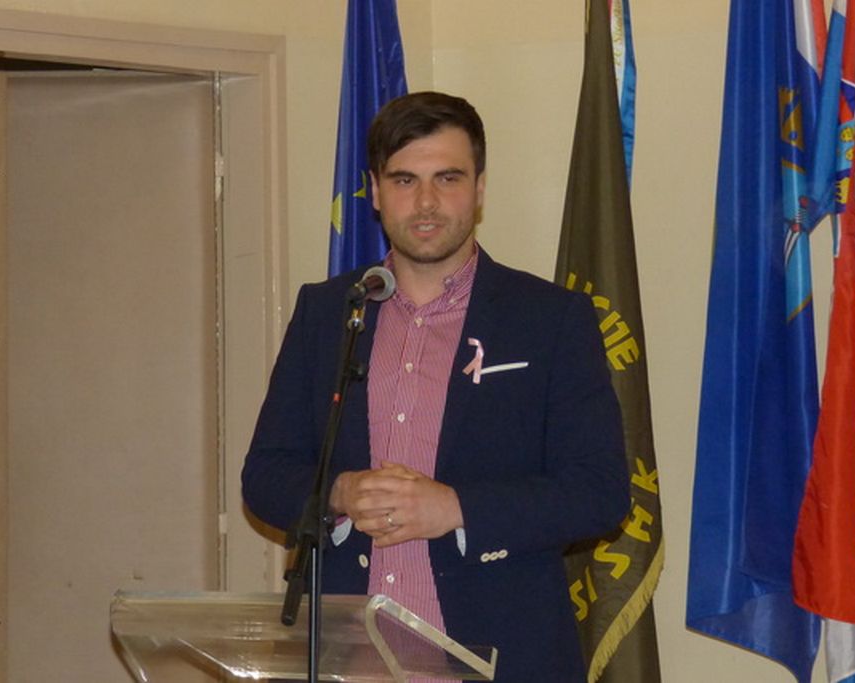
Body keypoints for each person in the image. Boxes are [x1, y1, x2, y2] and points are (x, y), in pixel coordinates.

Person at [242, 91, 629, 682]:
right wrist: (341, 492)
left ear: (479, 189)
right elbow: (266, 476)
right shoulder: (328, 312)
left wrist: (454, 508)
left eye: (448, 178)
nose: (425, 202)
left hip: (499, 656)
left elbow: (599, 491)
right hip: (345, 661)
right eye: (404, 180)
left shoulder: (551, 319)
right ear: (376, 192)